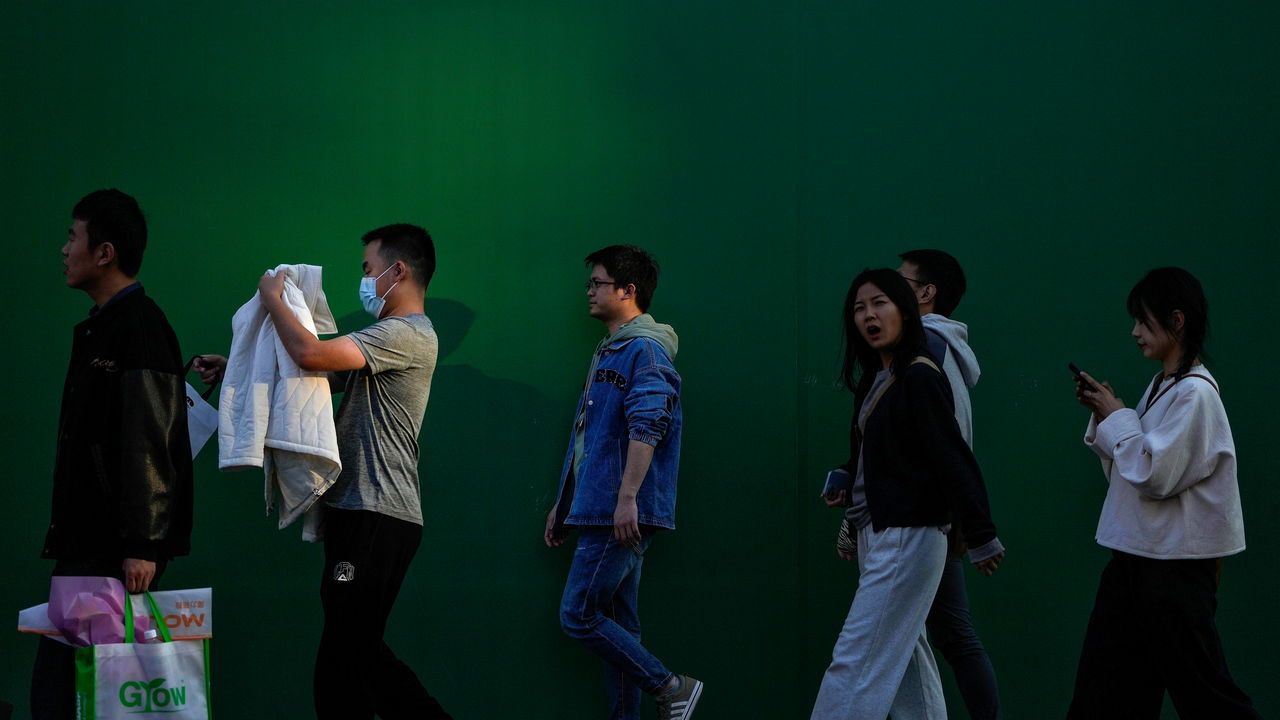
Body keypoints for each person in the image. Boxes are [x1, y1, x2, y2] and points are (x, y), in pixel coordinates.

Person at [196, 224, 450, 719]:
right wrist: (236, 368)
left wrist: (274, 299)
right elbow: (317, 378)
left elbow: (310, 353)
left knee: (346, 658)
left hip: (379, 512)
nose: (366, 278)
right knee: (353, 654)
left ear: (398, 271)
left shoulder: (408, 334)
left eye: (369, 268)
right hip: (360, 513)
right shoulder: (386, 338)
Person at [811, 268, 1003, 720]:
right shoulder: (878, 379)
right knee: (908, 663)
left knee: (856, 659)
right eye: (859, 308)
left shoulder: (919, 374)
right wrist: (847, 477)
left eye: (880, 303)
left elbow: (951, 455)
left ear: (906, 309)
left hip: (908, 533)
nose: (869, 315)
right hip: (879, 531)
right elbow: (887, 452)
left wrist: (980, 533)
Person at [1068, 267, 1258, 718]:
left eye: (1144, 320)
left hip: (1172, 571)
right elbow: (1132, 470)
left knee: (1205, 694)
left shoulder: (1196, 394)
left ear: (1177, 321)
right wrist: (1107, 415)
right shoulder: (1162, 386)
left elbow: (1155, 474)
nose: (1135, 332)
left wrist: (1116, 415)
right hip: (1136, 560)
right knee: (1109, 692)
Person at [32, 189, 194, 719]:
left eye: (72, 236)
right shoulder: (106, 325)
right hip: (91, 542)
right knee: (74, 689)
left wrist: (142, 544)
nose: (63, 249)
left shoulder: (138, 325)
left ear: (104, 252)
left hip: (109, 548)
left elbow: (149, 436)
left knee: (77, 692)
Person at [543, 245, 702, 720]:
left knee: (578, 615)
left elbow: (648, 424)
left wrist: (628, 498)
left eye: (597, 283)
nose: (589, 291)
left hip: (619, 509)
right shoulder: (610, 350)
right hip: (598, 505)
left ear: (627, 291)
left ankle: (671, 686)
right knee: (620, 626)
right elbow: (588, 438)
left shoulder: (645, 350)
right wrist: (563, 503)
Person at [897, 249, 1001, 719]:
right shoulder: (935, 347)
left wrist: (969, 523)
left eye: (901, 282)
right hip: (935, 512)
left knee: (911, 638)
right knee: (947, 634)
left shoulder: (926, 348)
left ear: (925, 292)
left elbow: (940, 438)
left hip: (923, 515)